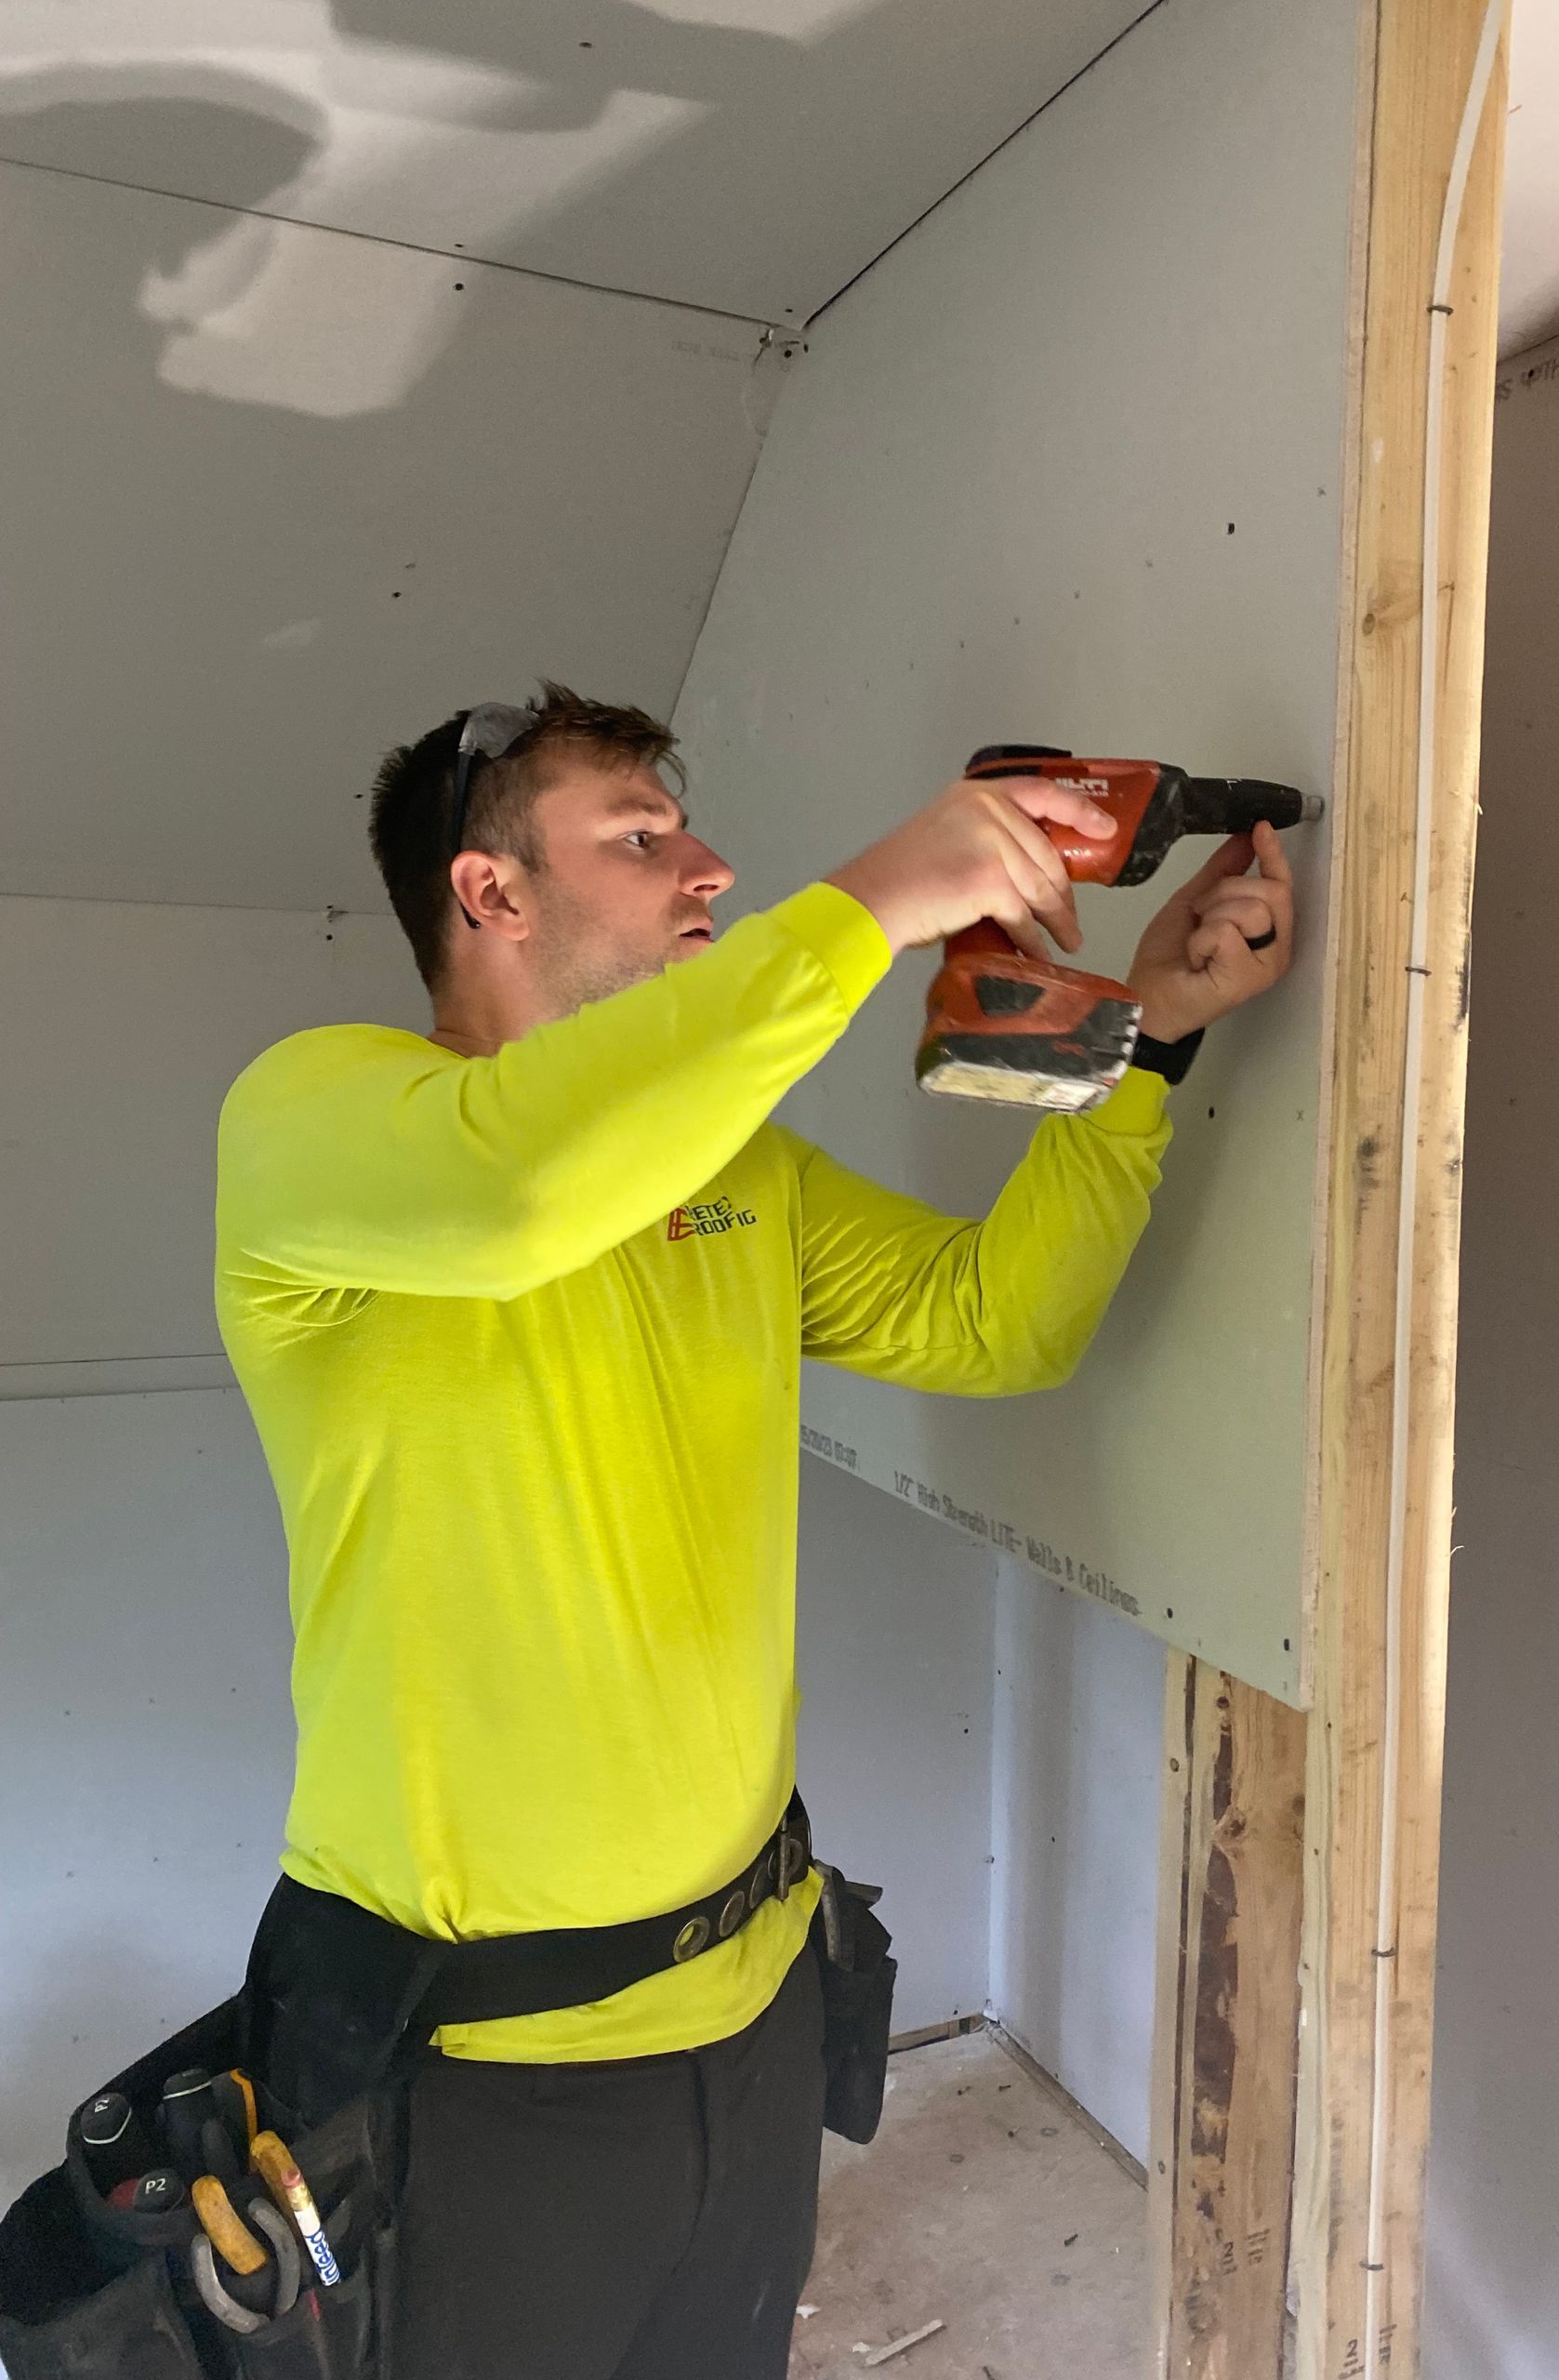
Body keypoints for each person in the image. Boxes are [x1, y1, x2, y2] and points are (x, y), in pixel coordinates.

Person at [214, 682, 1296, 2380]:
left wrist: (1148, 1035)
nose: (707, 866)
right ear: (490, 892)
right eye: (641, 836)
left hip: (758, 2003)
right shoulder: (313, 1120)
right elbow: (518, 1190)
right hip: (479, 2067)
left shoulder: (737, 1175)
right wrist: (880, 898)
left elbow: (995, 1323)